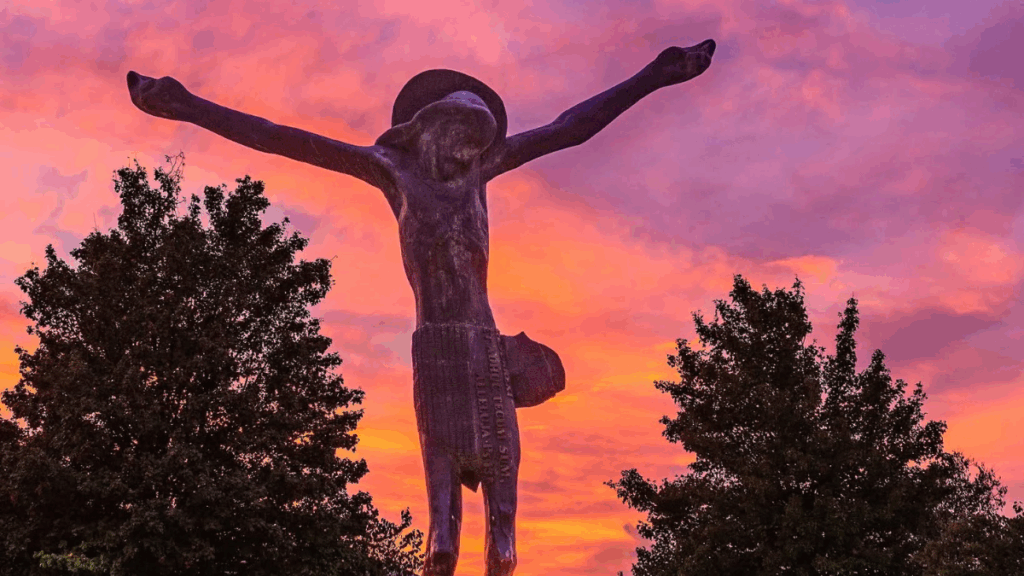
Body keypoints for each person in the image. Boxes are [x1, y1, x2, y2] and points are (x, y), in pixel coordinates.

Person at [126, 38, 716, 576]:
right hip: (434, 354)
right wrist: (190, 106)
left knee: (505, 537)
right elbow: (283, 138)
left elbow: (569, 128)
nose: (470, 151)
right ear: (429, 128)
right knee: (441, 541)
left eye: (480, 140)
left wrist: (655, 75)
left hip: (485, 348)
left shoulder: (483, 169)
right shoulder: (393, 170)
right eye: (463, 135)